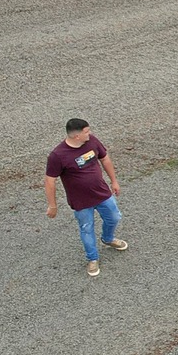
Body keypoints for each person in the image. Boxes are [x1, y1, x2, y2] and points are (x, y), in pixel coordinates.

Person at [45, 117, 126, 277]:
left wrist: (114, 181)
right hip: (81, 202)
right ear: (77, 136)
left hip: (102, 193)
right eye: (87, 132)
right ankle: (92, 258)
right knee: (86, 228)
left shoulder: (92, 141)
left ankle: (108, 238)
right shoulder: (57, 156)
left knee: (114, 217)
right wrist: (52, 205)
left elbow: (105, 159)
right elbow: (49, 181)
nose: (90, 134)